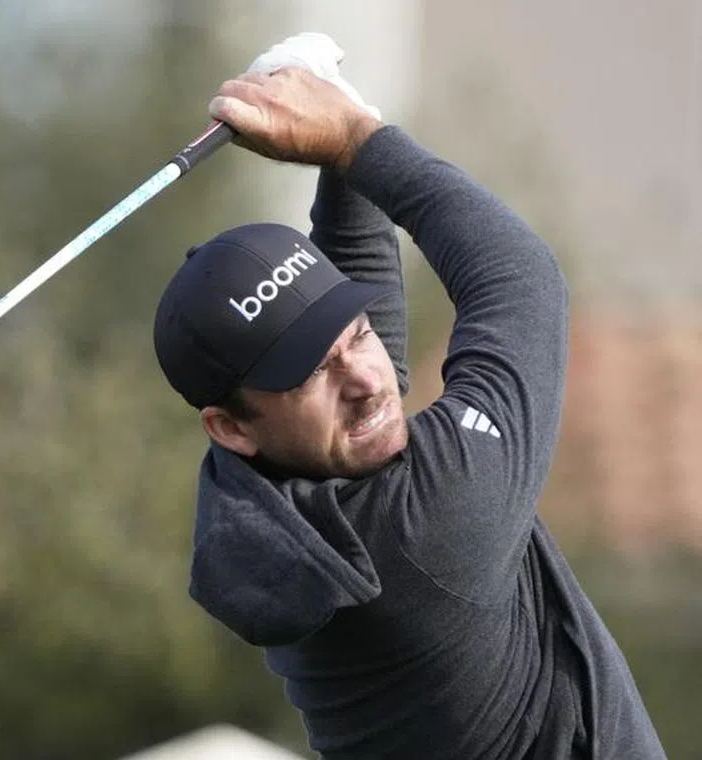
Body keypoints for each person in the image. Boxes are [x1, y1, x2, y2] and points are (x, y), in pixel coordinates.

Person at [152, 34, 666, 759]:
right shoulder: (428, 532)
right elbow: (520, 282)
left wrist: (336, 138)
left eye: (354, 333)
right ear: (231, 426)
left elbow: (371, 363)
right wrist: (362, 138)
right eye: (309, 373)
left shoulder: (276, 504)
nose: (365, 381)